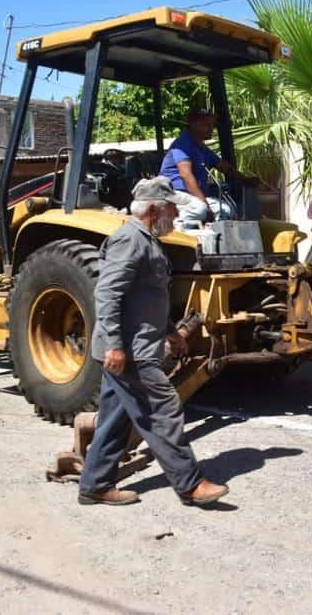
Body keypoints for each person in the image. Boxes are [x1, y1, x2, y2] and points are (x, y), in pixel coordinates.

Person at [78, 176, 229, 506]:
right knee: (163, 410)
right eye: (171, 209)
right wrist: (116, 345)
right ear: (152, 210)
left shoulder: (147, 240)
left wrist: (172, 332)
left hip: (135, 345)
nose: (176, 215)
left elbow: (146, 299)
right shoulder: (129, 241)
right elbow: (107, 294)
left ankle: (94, 485)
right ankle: (189, 484)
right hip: (131, 352)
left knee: (116, 419)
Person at [158, 108, 257, 223]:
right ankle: (171, 220)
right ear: (192, 124)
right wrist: (205, 206)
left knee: (228, 209)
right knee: (208, 210)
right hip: (173, 194)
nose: (211, 128)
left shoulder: (202, 149)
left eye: (212, 124)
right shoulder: (182, 144)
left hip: (189, 197)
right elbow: (186, 176)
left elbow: (224, 167)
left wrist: (245, 179)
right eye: (206, 124)